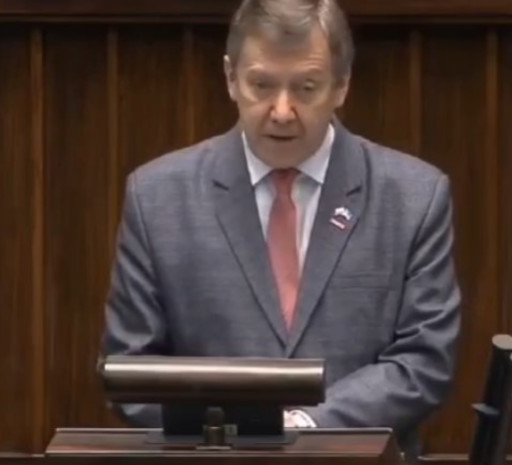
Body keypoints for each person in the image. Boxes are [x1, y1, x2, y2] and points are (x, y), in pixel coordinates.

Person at [100, 0, 461, 458]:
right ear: (230, 78)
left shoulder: (413, 198)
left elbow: (423, 360)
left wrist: (309, 425)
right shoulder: (157, 198)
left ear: (342, 85)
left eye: (306, 88)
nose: (283, 111)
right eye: (262, 85)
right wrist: (237, 433)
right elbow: (130, 367)